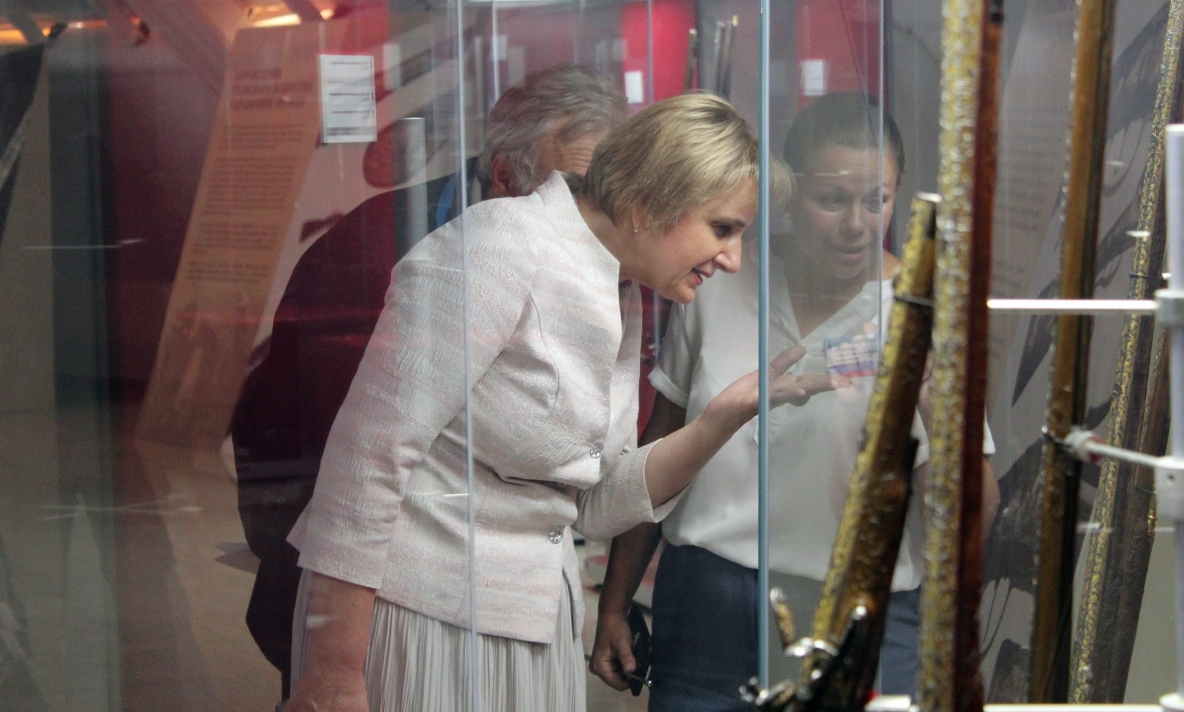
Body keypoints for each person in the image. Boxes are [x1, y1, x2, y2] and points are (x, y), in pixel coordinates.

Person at [281, 93, 847, 712]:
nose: (734, 259)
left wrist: (720, 418)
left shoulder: (617, 282)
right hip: (423, 613)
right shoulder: (499, 246)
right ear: (652, 198)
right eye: (723, 229)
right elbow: (366, 462)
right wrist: (333, 670)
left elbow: (594, 507)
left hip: (532, 617)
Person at [589, 92, 1000, 709]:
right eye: (832, 199)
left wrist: (936, 411)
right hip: (705, 606)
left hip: (859, 611)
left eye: (877, 200)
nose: (857, 224)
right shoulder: (718, 275)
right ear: (788, 194)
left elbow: (976, 519)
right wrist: (614, 604)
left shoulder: (928, 311)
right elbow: (659, 449)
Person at [230, 64, 627, 698]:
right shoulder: (372, 242)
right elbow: (282, 431)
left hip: (509, 594)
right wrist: (310, 592)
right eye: (575, 187)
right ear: (505, 176)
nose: (592, 212)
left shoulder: (603, 264)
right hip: (368, 590)